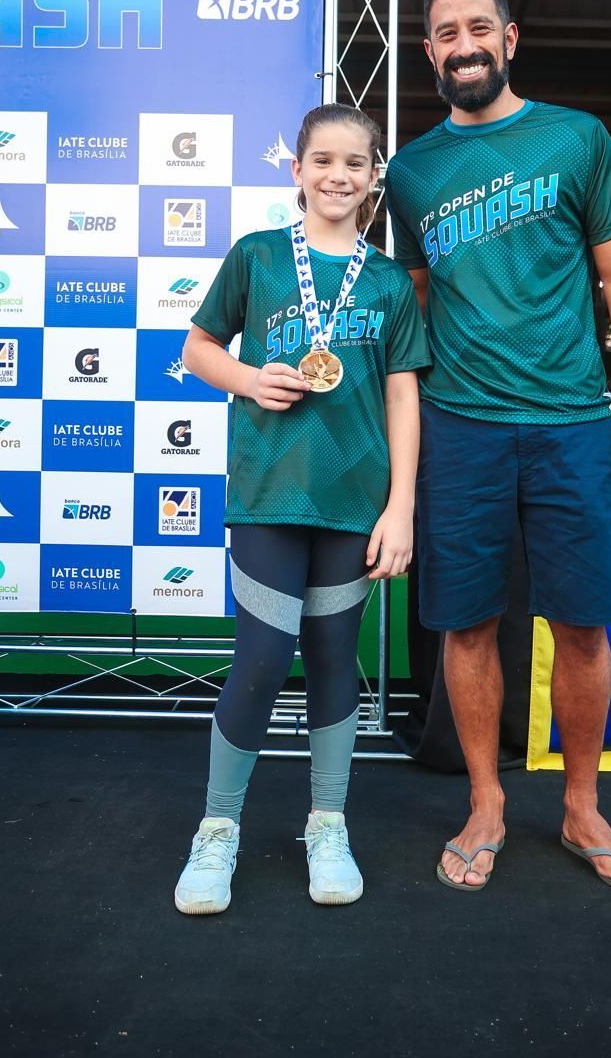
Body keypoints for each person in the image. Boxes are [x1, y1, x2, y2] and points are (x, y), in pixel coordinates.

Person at [385, 0, 611, 895]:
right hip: (459, 428)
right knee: (466, 625)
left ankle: (582, 807)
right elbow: (415, 304)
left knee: (582, 624)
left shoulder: (575, 139)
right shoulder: (411, 170)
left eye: (479, 27)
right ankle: (485, 801)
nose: (462, 45)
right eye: (444, 33)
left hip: (566, 422)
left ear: (509, 39)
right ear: (428, 51)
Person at [174, 104, 430, 915]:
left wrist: (401, 507)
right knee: (259, 658)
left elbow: (401, 396)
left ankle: (328, 824)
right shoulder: (256, 256)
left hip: (354, 501)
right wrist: (250, 380)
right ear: (296, 171)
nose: (337, 176)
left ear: (372, 179)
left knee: (330, 659)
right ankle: (217, 831)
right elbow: (197, 348)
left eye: (355, 164)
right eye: (322, 160)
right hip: (267, 493)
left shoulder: (388, 281)